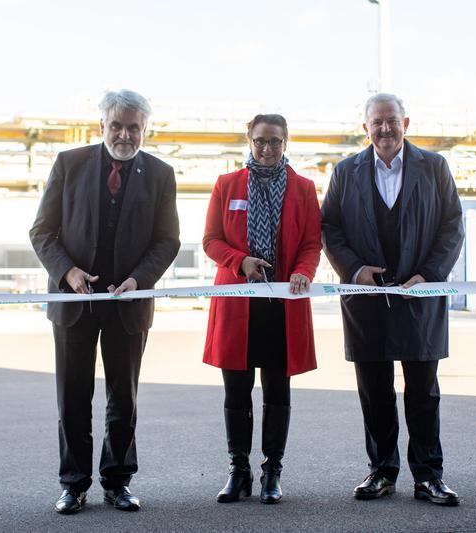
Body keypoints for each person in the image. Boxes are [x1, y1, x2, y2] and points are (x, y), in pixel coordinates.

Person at [29, 89, 179, 514]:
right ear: (102, 126)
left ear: (145, 129)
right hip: (73, 303)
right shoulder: (69, 164)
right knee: (72, 396)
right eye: (117, 125)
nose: (125, 134)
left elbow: (168, 240)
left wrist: (140, 278)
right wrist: (68, 272)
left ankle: (118, 481)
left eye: (134, 127)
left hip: (128, 304)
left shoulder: (161, 174)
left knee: (123, 397)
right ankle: (73, 485)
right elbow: (42, 232)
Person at [321, 93, 464, 506]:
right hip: (366, 298)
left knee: (423, 392)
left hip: (418, 297)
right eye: (376, 122)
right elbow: (330, 227)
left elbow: (452, 225)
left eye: (391, 121)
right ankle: (381, 472)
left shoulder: (434, 167)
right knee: (375, 391)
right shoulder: (345, 171)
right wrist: (353, 270)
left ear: (406, 122)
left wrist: (431, 275)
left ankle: (429, 477)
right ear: (365, 128)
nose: (385, 129)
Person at [202, 113, 322, 505]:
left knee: (277, 391)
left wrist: (304, 271)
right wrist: (241, 261)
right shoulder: (227, 185)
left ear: (286, 142)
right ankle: (239, 470)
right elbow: (211, 240)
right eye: (259, 141)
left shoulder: (303, 188)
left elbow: (310, 243)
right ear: (249, 142)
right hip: (238, 303)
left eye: (274, 141)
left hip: (281, 305)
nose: (267, 149)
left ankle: (272, 471)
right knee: (236, 392)